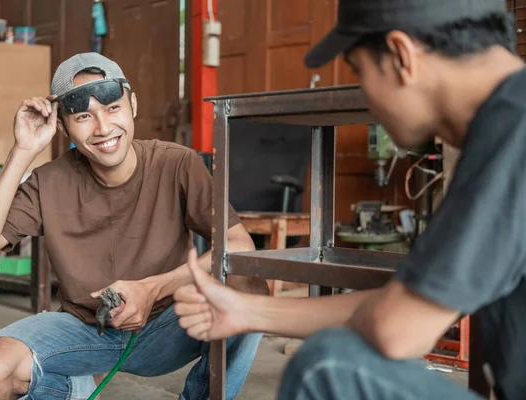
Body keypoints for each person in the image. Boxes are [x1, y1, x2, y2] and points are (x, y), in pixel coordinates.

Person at [174, 0, 526, 399]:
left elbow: (398, 331)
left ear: (401, 55)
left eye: (359, 71)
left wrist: (251, 312)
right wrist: (246, 312)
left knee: (328, 366)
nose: (365, 94)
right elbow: (407, 309)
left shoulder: (512, 131)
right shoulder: (509, 118)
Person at [0, 52, 267, 400]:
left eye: (113, 108)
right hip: (86, 330)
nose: (103, 128)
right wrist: (22, 150)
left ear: (132, 104)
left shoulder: (176, 163)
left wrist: (154, 288)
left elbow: (240, 246)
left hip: (170, 324)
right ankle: (74, 389)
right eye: (83, 116)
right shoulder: (49, 182)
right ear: (62, 126)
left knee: (249, 285)